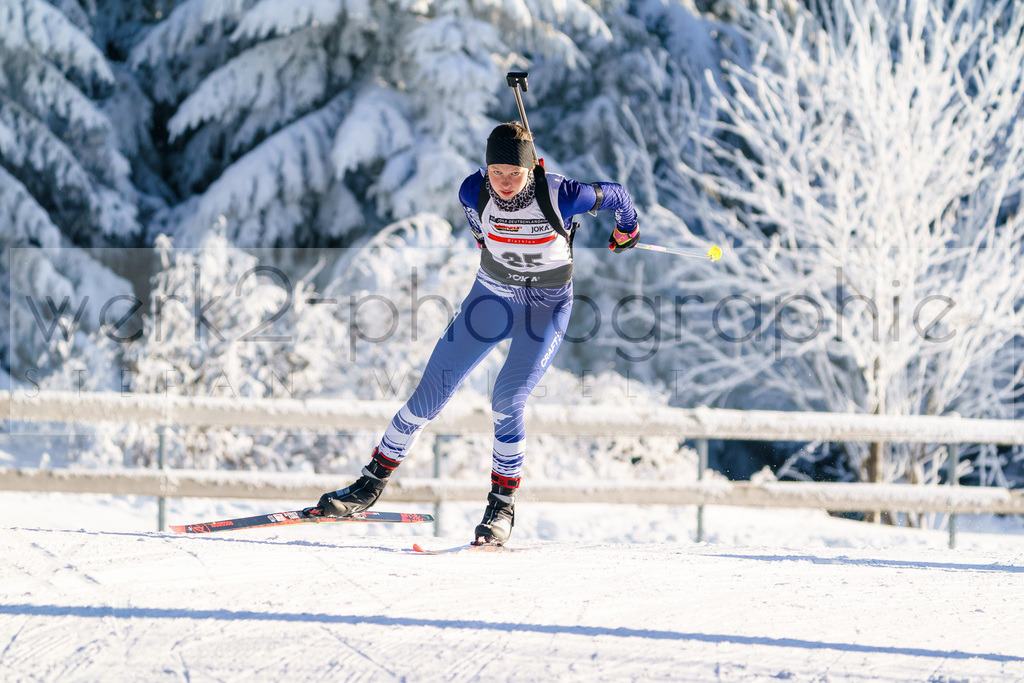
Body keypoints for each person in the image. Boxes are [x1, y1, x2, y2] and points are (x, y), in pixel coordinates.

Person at [309, 121, 639, 545]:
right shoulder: (473, 191)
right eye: (495, 171)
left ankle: (501, 508)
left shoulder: (563, 194)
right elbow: (482, 236)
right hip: (490, 301)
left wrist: (626, 229)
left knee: (506, 399)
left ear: (531, 170)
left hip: (545, 309)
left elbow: (618, 196)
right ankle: (368, 486)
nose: (503, 182)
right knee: (427, 394)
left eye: (513, 173)